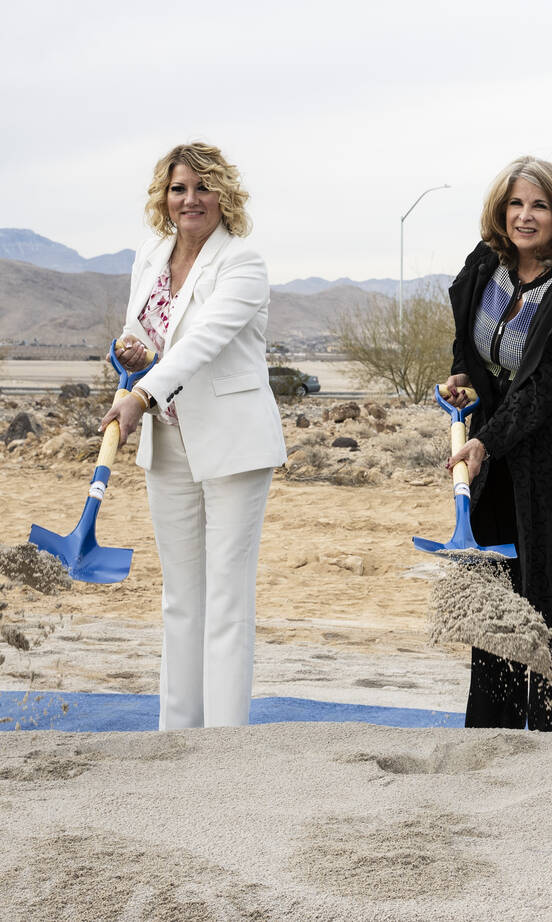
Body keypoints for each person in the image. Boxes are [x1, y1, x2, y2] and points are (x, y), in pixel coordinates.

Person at [99, 142, 286, 730]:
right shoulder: (149, 256)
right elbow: (143, 338)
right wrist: (128, 366)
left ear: (224, 195)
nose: (191, 199)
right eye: (179, 188)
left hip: (232, 445)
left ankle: (224, 743)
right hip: (168, 442)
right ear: (164, 196)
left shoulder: (243, 264)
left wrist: (142, 394)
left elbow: (202, 343)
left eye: (203, 188)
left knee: (225, 599)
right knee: (180, 599)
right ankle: (175, 737)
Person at [442, 155, 552, 731]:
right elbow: (469, 343)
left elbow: (549, 382)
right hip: (495, 469)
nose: (525, 215)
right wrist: (462, 377)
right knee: (494, 615)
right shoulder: (483, 266)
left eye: (539, 204)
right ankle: (489, 745)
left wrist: (487, 442)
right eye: (516, 203)